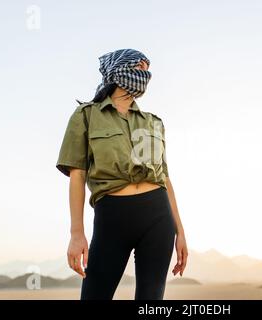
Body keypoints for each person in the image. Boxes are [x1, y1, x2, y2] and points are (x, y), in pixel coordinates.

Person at [55, 48, 188, 300]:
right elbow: (77, 176)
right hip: (112, 216)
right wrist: (76, 233)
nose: (145, 75)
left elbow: (165, 180)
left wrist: (180, 231)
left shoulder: (154, 122)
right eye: (139, 69)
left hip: (158, 216)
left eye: (147, 71)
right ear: (118, 71)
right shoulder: (86, 115)